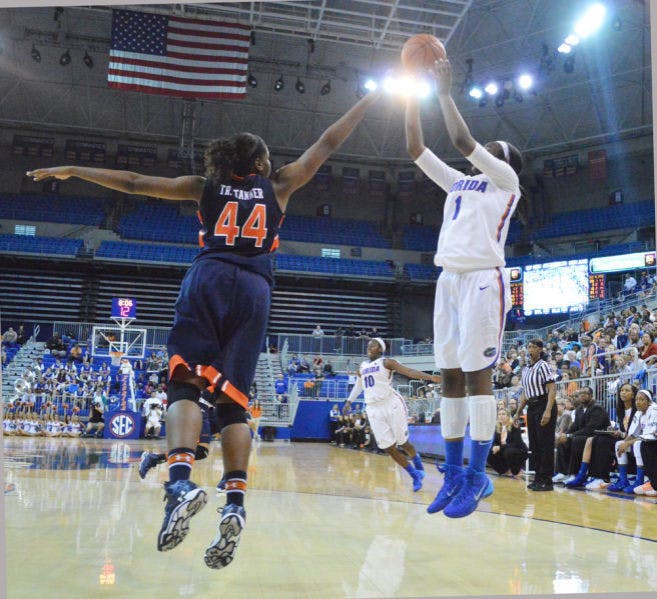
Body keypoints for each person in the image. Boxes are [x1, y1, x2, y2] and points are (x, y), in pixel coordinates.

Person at [28, 88, 380, 569]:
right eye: (269, 156)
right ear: (258, 163)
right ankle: (234, 503)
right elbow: (328, 142)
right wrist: (368, 99)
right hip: (256, 289)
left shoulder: (204, 186)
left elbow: (133, 182)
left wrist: (74, 170)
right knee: (232, 401)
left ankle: (179, 482)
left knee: (184, 384)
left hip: (210, 277)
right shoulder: (280, 187)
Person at [405, 58, 523, 517]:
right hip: (448, 280)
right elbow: (416, 148)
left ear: (505, 162)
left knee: (477, 378)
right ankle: (453, 473)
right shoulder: (460, 182)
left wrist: (444, 92)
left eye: (494, 149)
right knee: (449, 378)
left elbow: (460, 140)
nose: (484, 151)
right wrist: (412, 97)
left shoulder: (505, 183)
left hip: (481, 280)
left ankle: (477, 476)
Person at [345, 338, 440, 492]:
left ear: (381, 349)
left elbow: (409, 371)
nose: (370, 346)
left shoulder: (386, 362)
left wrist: (429, 377)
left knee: (402, 442)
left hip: (391, 404)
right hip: (373, 409)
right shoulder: (362, 366)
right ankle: (414, 475)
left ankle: (418, 463)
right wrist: (349, 401)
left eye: (374, 344)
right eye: (369, 344)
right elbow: (359, 384)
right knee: (388, 447)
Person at [513, 339, 557, 491]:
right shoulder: (525, 369)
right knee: (535, 444)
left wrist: (548, 410)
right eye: (528, 347)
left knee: (545, 443)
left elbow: (552, 389)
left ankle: (547, 480)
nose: (529, 349)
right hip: (531, 406)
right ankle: (538, 477)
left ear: (540, 349)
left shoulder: (543, 366)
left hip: (544, 403)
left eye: (532, 347)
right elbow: (526, 393)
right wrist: (518, 412)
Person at [487, 408, 528, 477]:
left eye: (503, 414)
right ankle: (505, 471)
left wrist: (500, 447)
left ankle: (517, 470)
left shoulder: (514, 426)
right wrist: (494, 447)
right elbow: (495, 442)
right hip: (505, 449)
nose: (501, 416)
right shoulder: (498, 428)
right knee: (489, 454)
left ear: (508, 416)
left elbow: (516, 443)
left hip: (519, 450)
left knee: (508, 452)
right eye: (499, 414)